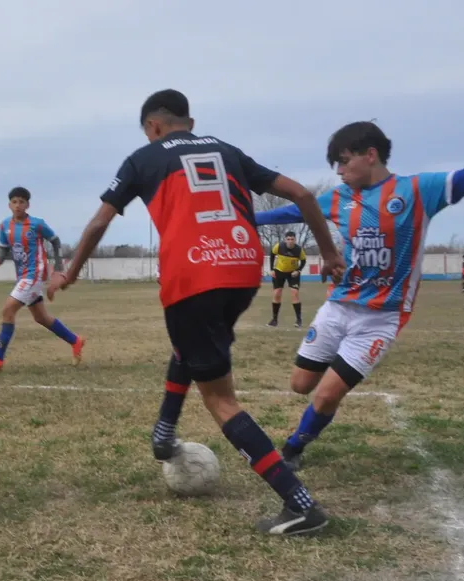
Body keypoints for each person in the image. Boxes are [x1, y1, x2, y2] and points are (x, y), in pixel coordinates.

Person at [46, 89, 346, 536]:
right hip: (243, 268)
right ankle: (164, 433)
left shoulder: (143, 158)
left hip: (193, 273)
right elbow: (302, 193)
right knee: (192, 345)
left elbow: (99, 222)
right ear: (189, 121)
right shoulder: (227, 151)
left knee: (220, 399)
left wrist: (69, 273)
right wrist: (329, 253)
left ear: (153, 126)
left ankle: (300, 504)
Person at [253, 110, 464, 472]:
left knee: (326, 394)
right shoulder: (339, 198)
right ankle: (329, 374)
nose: (339, 171)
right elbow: (288, 214)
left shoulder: (417, 190)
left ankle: (293, 449)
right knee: (300, 385)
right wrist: (240, 217)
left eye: (344, 161)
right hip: (338, 307)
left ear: (370, 155)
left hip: (382, 318)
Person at [0, 186, 85, 371]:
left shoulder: (37, 224)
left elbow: (55, 240)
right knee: (41, 317)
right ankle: (76, 341)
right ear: (9, 205)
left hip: (34, 275)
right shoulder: (5, 226)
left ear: (27, 205)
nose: (18, 205)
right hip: (23, 276)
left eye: (21, 202)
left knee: (8, 310)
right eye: (14, 202)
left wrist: (58, 267)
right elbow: (4, 248)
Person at [267, 231, 307, 327]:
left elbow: (303, 261)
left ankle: (298, 320)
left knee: (294, 293)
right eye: (288, 239)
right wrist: (272, 269)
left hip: (292, 273)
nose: (290, 241)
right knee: (277, 294)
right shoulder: (279, 246)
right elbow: (272, 254)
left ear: (295, 240)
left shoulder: (299, 250)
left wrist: (298, 270)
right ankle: (274, 320)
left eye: (292, 239)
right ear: (285, 240)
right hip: (279, 271)